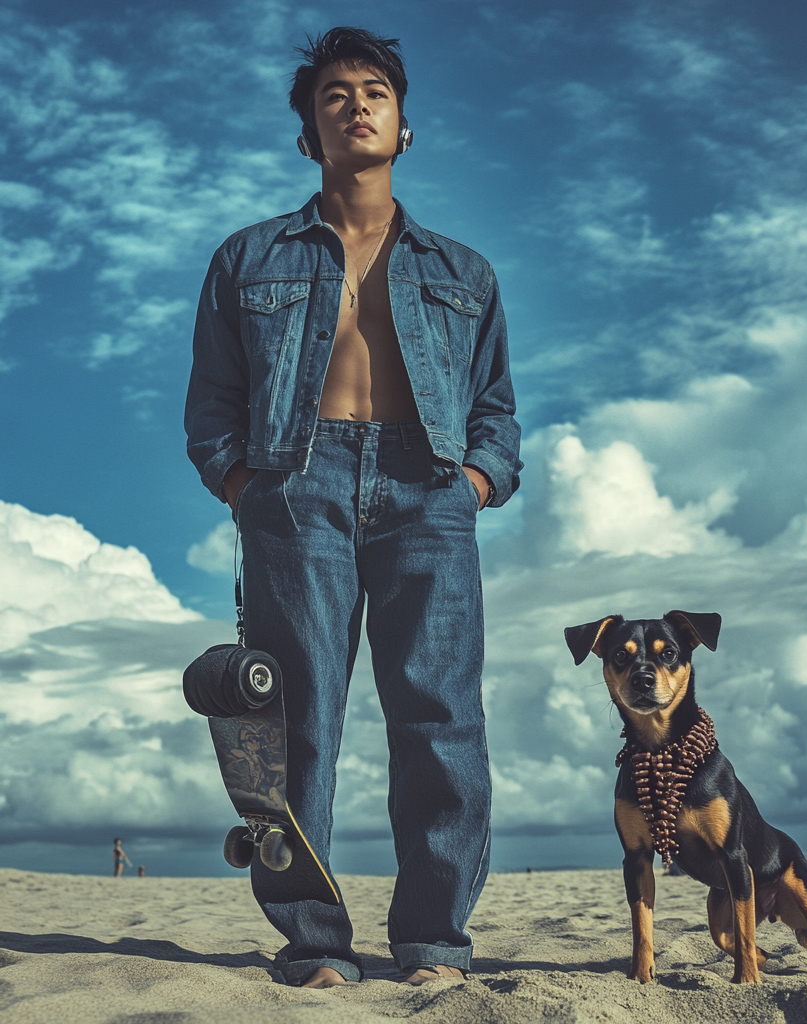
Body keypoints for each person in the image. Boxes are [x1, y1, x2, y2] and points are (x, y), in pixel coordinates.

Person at [185, 27, 521, 989]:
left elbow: (497, 409)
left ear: (405, 129)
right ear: (309, 134)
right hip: (298, 485)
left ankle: (432, 944)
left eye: (376, 91)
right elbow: (211, 404)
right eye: (334, 95)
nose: (357, 105)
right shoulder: (246, 259)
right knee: (297, 726)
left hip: (430, 489)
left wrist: (475, 482)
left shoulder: (465, 273)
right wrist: (246, 485)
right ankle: (313, 943)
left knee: (441, 719)